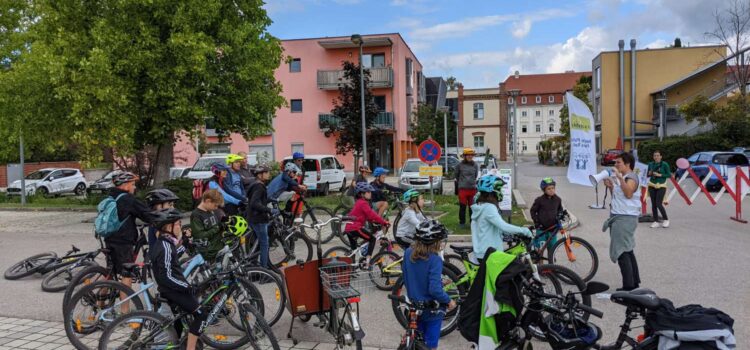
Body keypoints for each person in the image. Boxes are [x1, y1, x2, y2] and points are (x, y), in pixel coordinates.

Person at [150, 207, 207, 350]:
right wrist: (186, 287)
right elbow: (166, 276)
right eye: (178, 224)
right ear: (169, 227)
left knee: (180, 320)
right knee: (201, 315)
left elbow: (173, 257)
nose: (180, 227)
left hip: (171, 289)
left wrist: (185, 243)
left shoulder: (166, 243)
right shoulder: (165, 247)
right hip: (172, 290)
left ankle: (176, 345)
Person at [402, 220, 457, 350]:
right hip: (431, 309)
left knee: (416, 341)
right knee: (430, 345)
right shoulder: (435, 259)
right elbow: (435, 289)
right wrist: (449, 301)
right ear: (435, 242)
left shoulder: (408, 252)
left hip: (413, 305)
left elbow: (406, 276)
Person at [103, 172, 154, 298]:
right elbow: (146, 214)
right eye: (132, 184)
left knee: (111, 271)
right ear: (125, 185)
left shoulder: (110, 196)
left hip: (109, 237)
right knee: (127, 274)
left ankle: (100, 301)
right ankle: (125, 313)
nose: (134, 187)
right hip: (123, 241)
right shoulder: (128, 199)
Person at [602, 152, 641, 291]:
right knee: (628, 249)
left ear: (627, 164)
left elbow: (629, 193)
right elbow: (620, 197)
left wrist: (619, 179)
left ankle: (628, 286)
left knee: (621, 251)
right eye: (616, 163)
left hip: (624, 218)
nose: (616, 165)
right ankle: (634, 282)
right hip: (622, 216)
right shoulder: (624, 178)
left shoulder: (631, 177)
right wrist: (612, 187)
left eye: (618, 162)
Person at [471, 175, 532, 260]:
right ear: (492, 192)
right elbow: (504, 226)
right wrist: (524, 231)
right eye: (499, 189)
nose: (501, 192)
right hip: (490, 253)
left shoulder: (480, 206)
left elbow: (490, 227)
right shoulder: (489, 208)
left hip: (481, 251)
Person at [344, 182, 390, 268]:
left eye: (370, 191)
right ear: (362, 194)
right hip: (355, 228)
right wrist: (383, 222)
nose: (370, 193)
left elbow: (367, 216)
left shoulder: (360, 202)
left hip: (349, 228)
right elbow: (372, 214)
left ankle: (352, 269)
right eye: (368, 192)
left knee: (354, 249)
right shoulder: (363, 203)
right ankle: (367, 263)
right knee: (372, 239)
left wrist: (374, 221)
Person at [246, 165, 278, 268]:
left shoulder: (255, 183)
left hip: (254, 218)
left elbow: (257, 200)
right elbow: (254, 203)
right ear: (260, 174)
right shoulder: (259, 186)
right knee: (264, 245)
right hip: (258, 219)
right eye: (267, 172)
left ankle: (254, 266)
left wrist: (269, 200)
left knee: (259, 243)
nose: (269, 174)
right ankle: (264, 272)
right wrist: (269, 210)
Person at [190, 189, 226, 261]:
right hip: (209, 252)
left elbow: (215, 224)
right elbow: (200, 236)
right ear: (208, 201)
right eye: (215, 205)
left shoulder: (210, 211)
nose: (216, 208)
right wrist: (216, 228)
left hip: (218, 247)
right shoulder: (196, 215)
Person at [530, 177, 564, 248]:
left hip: (553, 229)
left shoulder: (558, 199)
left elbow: (560, 209)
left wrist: (560, 214)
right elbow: (532, 211)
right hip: (541, 229)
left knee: (552, 247)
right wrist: (536, 222)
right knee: (540, 247)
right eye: (549, 189)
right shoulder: (539, 200)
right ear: (544, 190)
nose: (551, 190)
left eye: (553, 188)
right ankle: (539, 259)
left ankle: (551, 258)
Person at [455, 148, 480, 228]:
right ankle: (462, 222)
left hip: (472, 189)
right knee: (462, 207)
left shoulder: (475, 165)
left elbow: (475, 175)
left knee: (472, 207)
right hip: (462, 189)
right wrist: (462, 182)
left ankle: (472, 222)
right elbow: (456, 175)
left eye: (471, 155)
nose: (470, 156)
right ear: (464, 156)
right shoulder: (459, 165)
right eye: (468, 155)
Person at [647, 150, 671, 228]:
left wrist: (660, 175)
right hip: (652, 185)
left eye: (657, 155)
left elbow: (669, 175)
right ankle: (655, 221)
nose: (656, 157)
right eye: (655, 155)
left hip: (661, 185)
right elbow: (647, 174)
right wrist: (649, 173)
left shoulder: (664, 164)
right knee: (653, 204)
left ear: (661, 156)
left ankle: (666, 219)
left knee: (658, 203)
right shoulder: (650, 164)